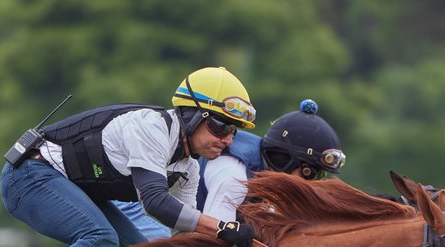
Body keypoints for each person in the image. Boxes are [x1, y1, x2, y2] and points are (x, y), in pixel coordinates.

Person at [0, 66, 259, 247]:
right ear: (194, 115)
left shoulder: (188, 169)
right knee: (101, 238)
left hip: (72, 186)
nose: (228, 140)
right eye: (220, 127)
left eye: (233, 131)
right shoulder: (152, 128)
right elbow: (156, 202)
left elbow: (184, 236)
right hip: (28, 176)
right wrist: (222, 227)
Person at [119, 98, 345, 238]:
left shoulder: (261, 171)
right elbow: (216, 236)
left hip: (174, 217)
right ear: (285, 160)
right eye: (310, 174)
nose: (313, 184)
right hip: (141, 209)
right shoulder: (233, 173)